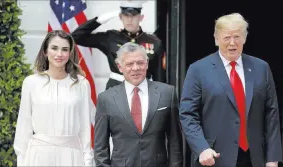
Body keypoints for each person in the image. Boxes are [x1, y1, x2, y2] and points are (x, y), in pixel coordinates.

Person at [179, 13, 282, 167]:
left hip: (254, 157)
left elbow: (271, 114)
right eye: (227, 38)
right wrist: (201, 148)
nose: (232, 43)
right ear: (216, 39)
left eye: (237, 37)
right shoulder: (198, 70)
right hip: (214, 157)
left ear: (245, 38)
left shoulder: (261, 68)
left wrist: (272, 158)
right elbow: (188, 115)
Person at [94, 42, 182, 167]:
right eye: (129, 64)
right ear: (120, 67)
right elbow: (100, 147)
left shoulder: (167, 93)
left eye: (140, 63)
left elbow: (175, 142)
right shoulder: (106, 98)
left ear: (146, 64)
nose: (135, 68)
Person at [13, 30, 94, 166]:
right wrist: (21, 161)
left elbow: (85, 129)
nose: (59, 54)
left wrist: (88, 161)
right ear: (45, 51)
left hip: (71, 156)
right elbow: (23, 126)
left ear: (70, 53)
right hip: (38, 156)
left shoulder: (81, 84)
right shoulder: (31, 82)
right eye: (54, 48)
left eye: (65, 49)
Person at [71, 0, 166, 90]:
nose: (129, 19)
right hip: (115, 90)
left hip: (142, 91)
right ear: (120, 17)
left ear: (141, 17)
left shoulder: (154, 42)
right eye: (126, 15)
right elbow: (76, 37)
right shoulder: (111, 38)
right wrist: (100, 20)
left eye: (133, 15)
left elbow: (159, 79)